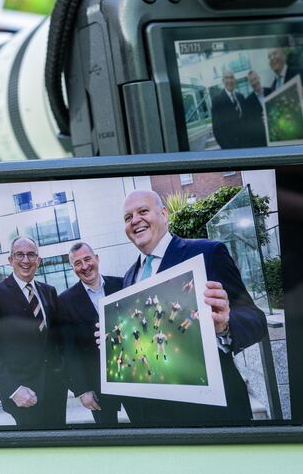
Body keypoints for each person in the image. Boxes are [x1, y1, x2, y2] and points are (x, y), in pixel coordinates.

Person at [115, 189, 267, 426]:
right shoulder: (128, 277)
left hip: (211, 414)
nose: (135, 220)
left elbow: (255, 320)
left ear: (164, 213)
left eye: (143, 211)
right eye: (128, 217)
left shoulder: (207, 253)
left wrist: (225, 326)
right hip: (155, 416)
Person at [0, 236, 67, 427]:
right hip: (23, 394)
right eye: (19, 254)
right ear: (10, 260)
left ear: (38, 261)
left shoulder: (48, 291)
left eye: (31, 254)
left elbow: (58, 339)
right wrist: (13, 390)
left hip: (55, 389)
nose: (26, 260)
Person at [58, 242, 124, 425]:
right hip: (96, 384)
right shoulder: (64, 301)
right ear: (72, 268)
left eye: (87, 259)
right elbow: (69, 351)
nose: (85, 266)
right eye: (78, 263)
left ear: (97, 258)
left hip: (132, 376)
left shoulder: (122, 284)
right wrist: (82, 389)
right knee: (108, 438)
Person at [210, 69, 245, 149]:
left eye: (231, 77)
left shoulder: (241, 97)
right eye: (226, 78)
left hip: (246, 144)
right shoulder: (217, 100)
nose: (229, 80)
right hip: (231, 147)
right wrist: (227, 149)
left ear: (235, 80)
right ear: (223, 81)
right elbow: (216, 129)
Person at [240, 70, 268, 147]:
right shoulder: (247, 102)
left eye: (255, 78)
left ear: (259, 78)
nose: (254, 82)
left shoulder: (271, 91)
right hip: (262, 141)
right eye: (251, 81)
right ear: (249, 83)